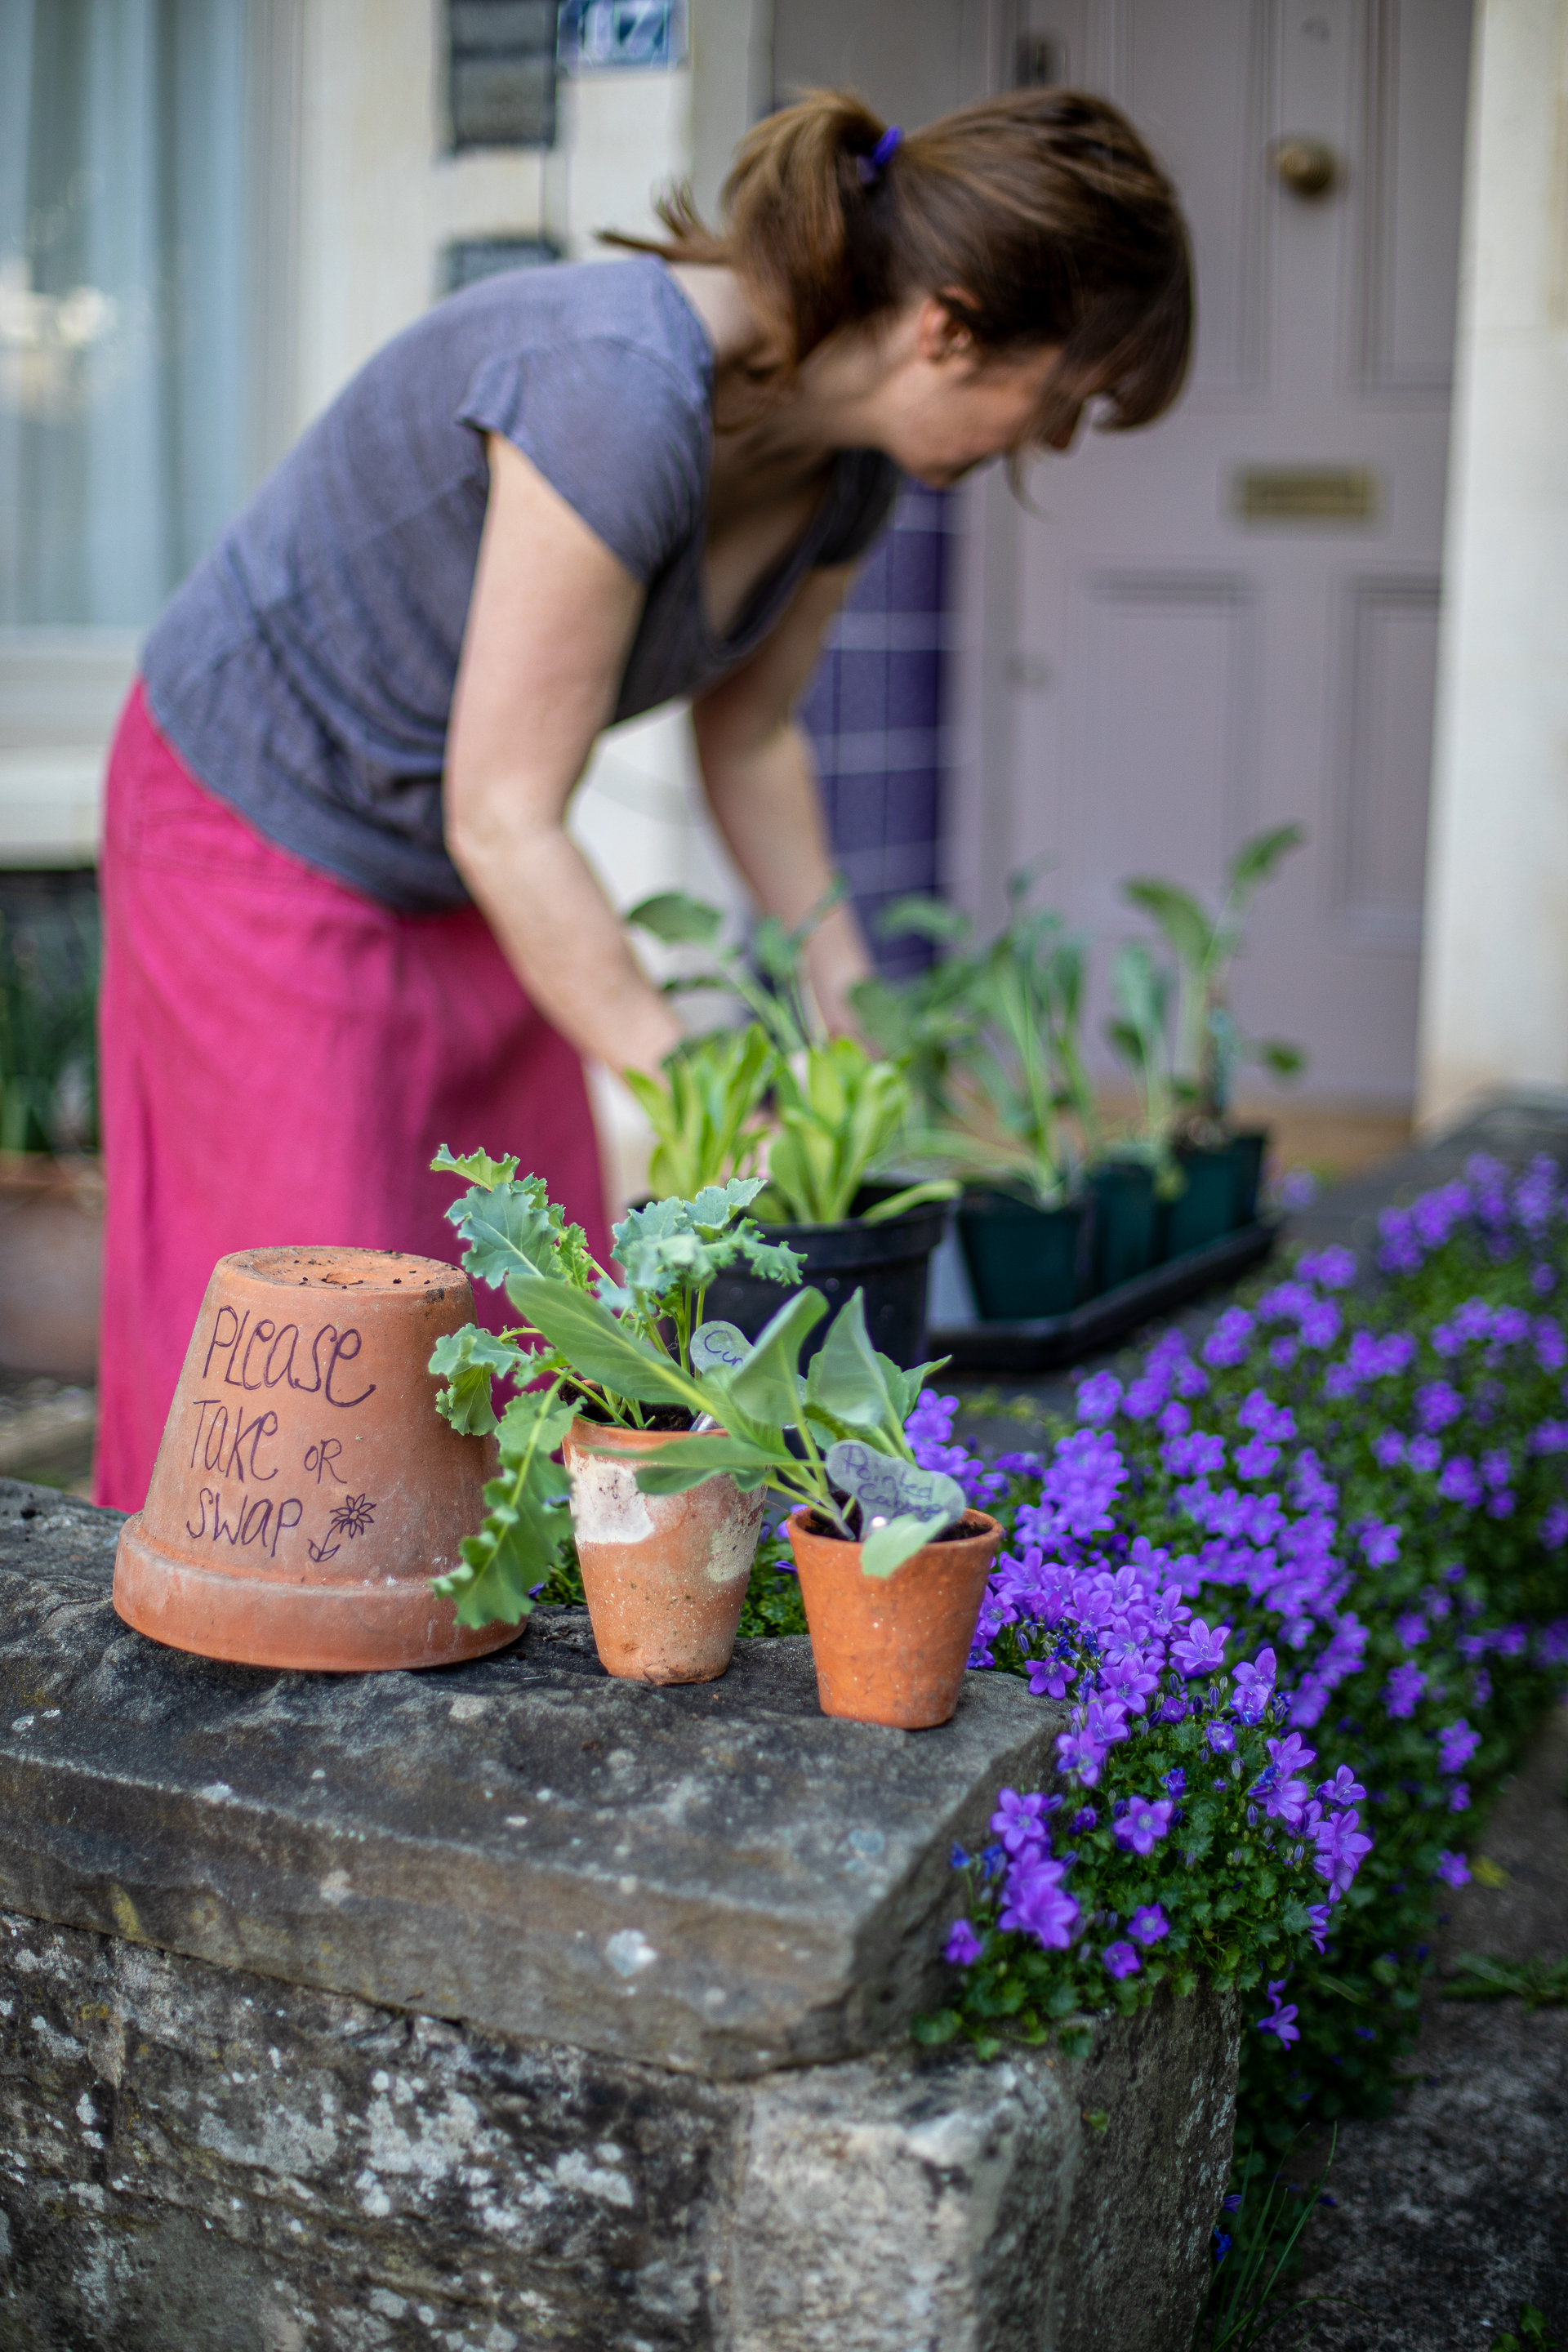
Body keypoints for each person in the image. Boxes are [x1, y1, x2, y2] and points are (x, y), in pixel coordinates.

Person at [95, 87, 1192, 1510]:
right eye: (1067, 398)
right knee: (320, 1344)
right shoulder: (614, 383)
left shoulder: (850, 474)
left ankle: (458, 1688)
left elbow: (750, 740)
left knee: (530, 1307)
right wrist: (694, 1088)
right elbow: (508, 809)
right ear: (953, 325)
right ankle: (209, 1709)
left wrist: (855, 1014)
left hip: (457, 850)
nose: (1048, 444)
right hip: (260, 813)